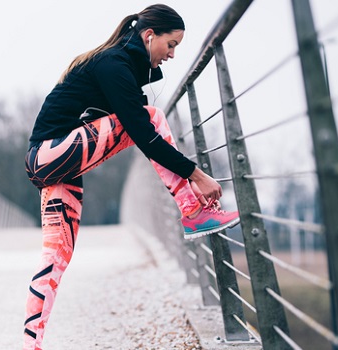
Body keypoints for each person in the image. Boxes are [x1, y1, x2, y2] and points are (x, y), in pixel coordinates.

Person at [22, 4, 240, 349]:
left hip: (56, 162)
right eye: (171, 45)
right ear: (149, 35)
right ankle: (193, 212)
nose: (172, 55)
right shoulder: (113, 63)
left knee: (57, 257)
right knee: (151, 116)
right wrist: (196, 174)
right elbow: (143, 131)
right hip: (50, 153)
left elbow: (140, 130)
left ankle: (30, 344)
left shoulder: (121, 66)